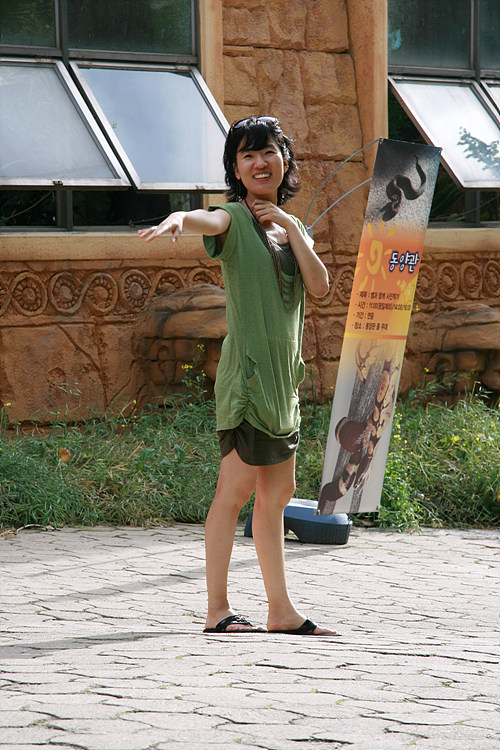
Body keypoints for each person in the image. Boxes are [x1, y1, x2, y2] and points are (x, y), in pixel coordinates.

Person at [139, 116, 337, 635]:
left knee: (279, 494)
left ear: (284, 160)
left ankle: (280, 612)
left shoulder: (293, 229)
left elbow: (319, 287)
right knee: (236, 490)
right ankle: (217, 609)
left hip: (282, 384)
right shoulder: (231, 217)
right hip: (248, 381)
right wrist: (180, 218)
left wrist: (290, 225)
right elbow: (206, 221)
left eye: (268, 151)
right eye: (247, 155)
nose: (259, 162)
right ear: (235, 168)